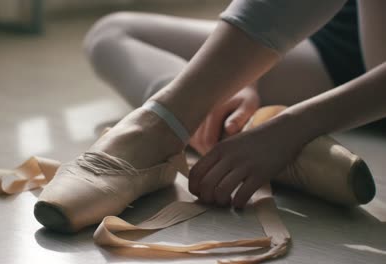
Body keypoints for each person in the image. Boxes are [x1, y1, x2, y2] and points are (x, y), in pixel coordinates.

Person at [81, 0, 386, 208]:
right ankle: (208, 122)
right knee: (110, 33)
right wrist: (235, 80)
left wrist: (295, 127)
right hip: (328, 44)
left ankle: (214, 128)